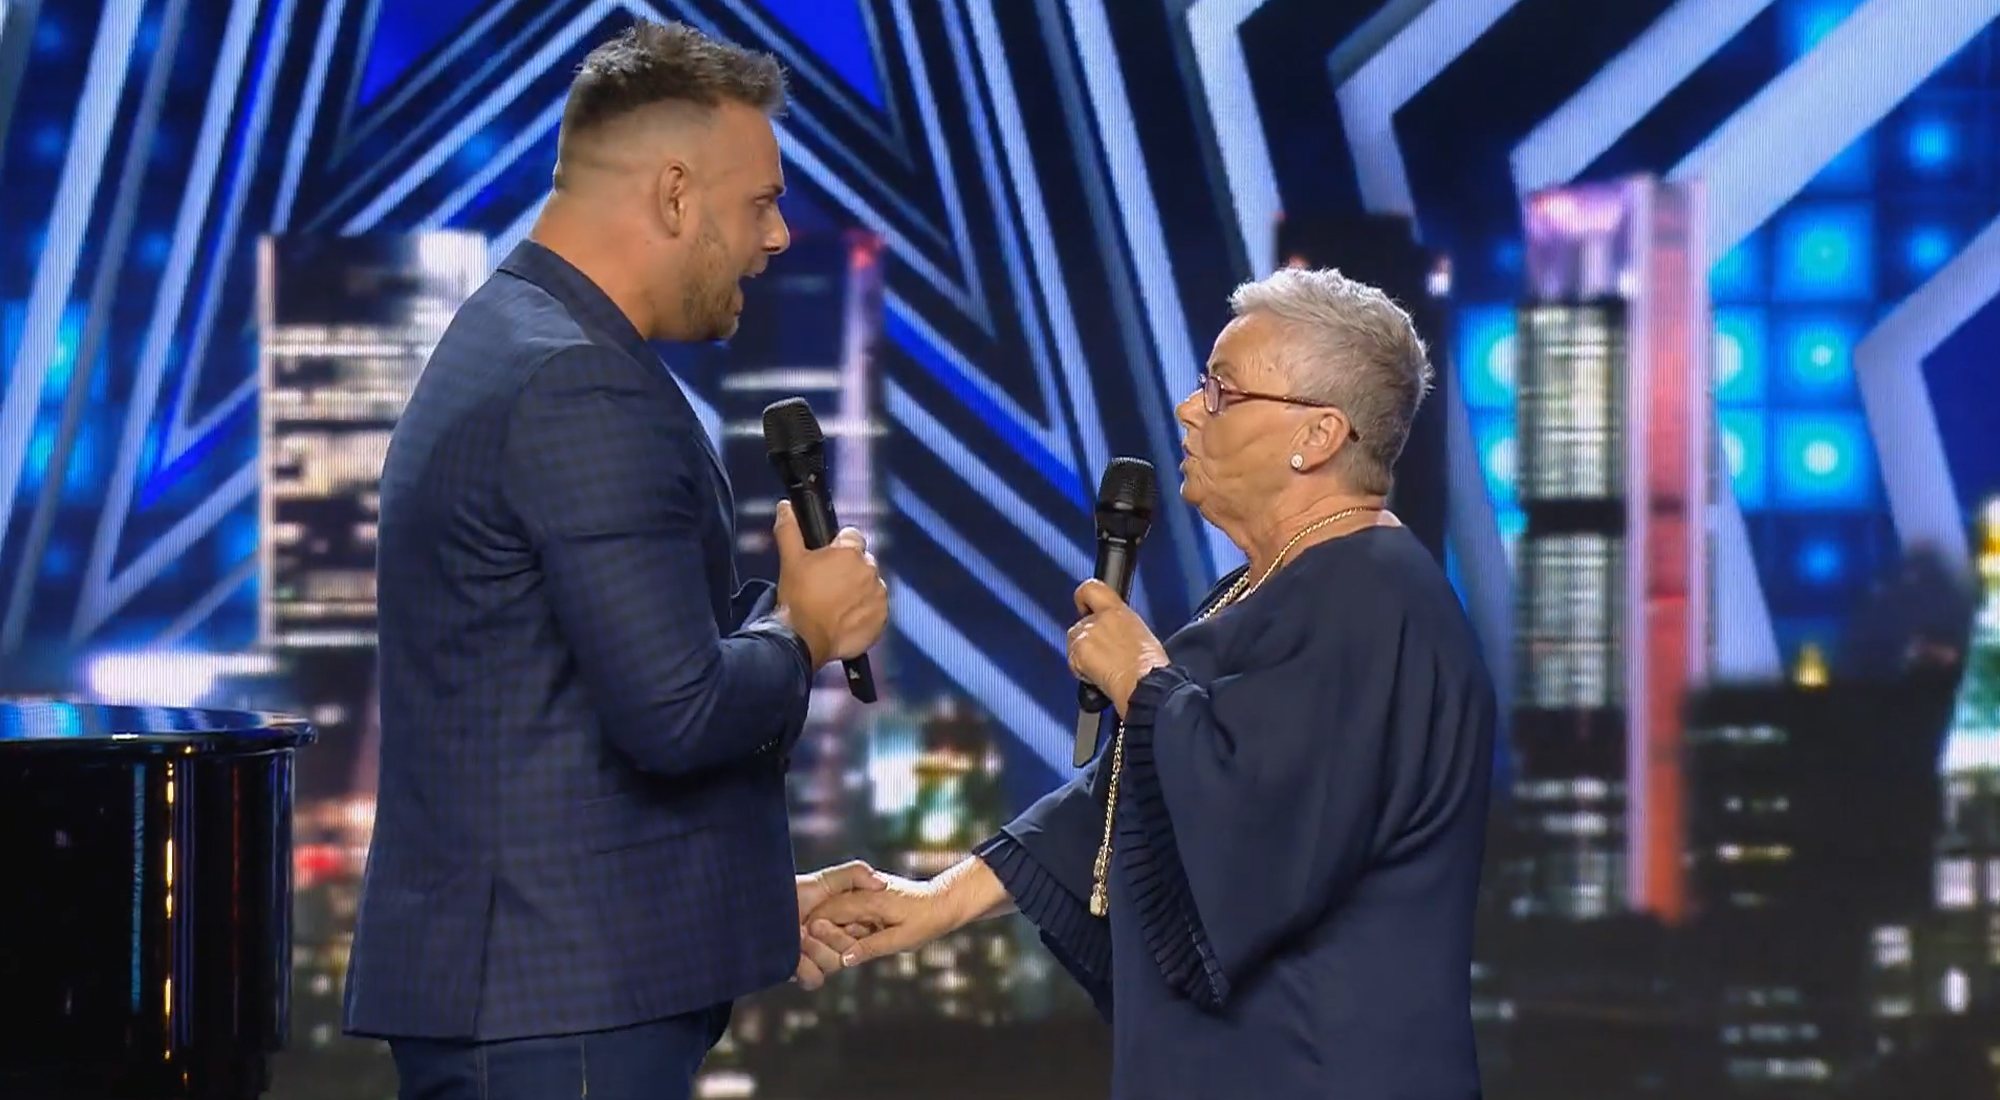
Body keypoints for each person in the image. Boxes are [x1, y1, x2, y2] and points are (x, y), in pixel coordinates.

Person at [346, 20, 888, 1100]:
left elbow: (557, 717)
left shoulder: (518, 340)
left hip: (542, 1007)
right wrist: (804, 627)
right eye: (761, 201)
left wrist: (744, 900)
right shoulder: (572, 384)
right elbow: (675, 711)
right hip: (558, 1025)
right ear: (675, 194)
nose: (776, 237)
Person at [810, 267, 1496, 1098]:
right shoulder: (1289, 585)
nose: (1188, 407)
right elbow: (1138, 795)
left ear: (1315, 438)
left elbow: (1263, 821)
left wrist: (1144, 681)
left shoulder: (1370, 596)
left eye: (1222, 390)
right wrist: (938, 900)